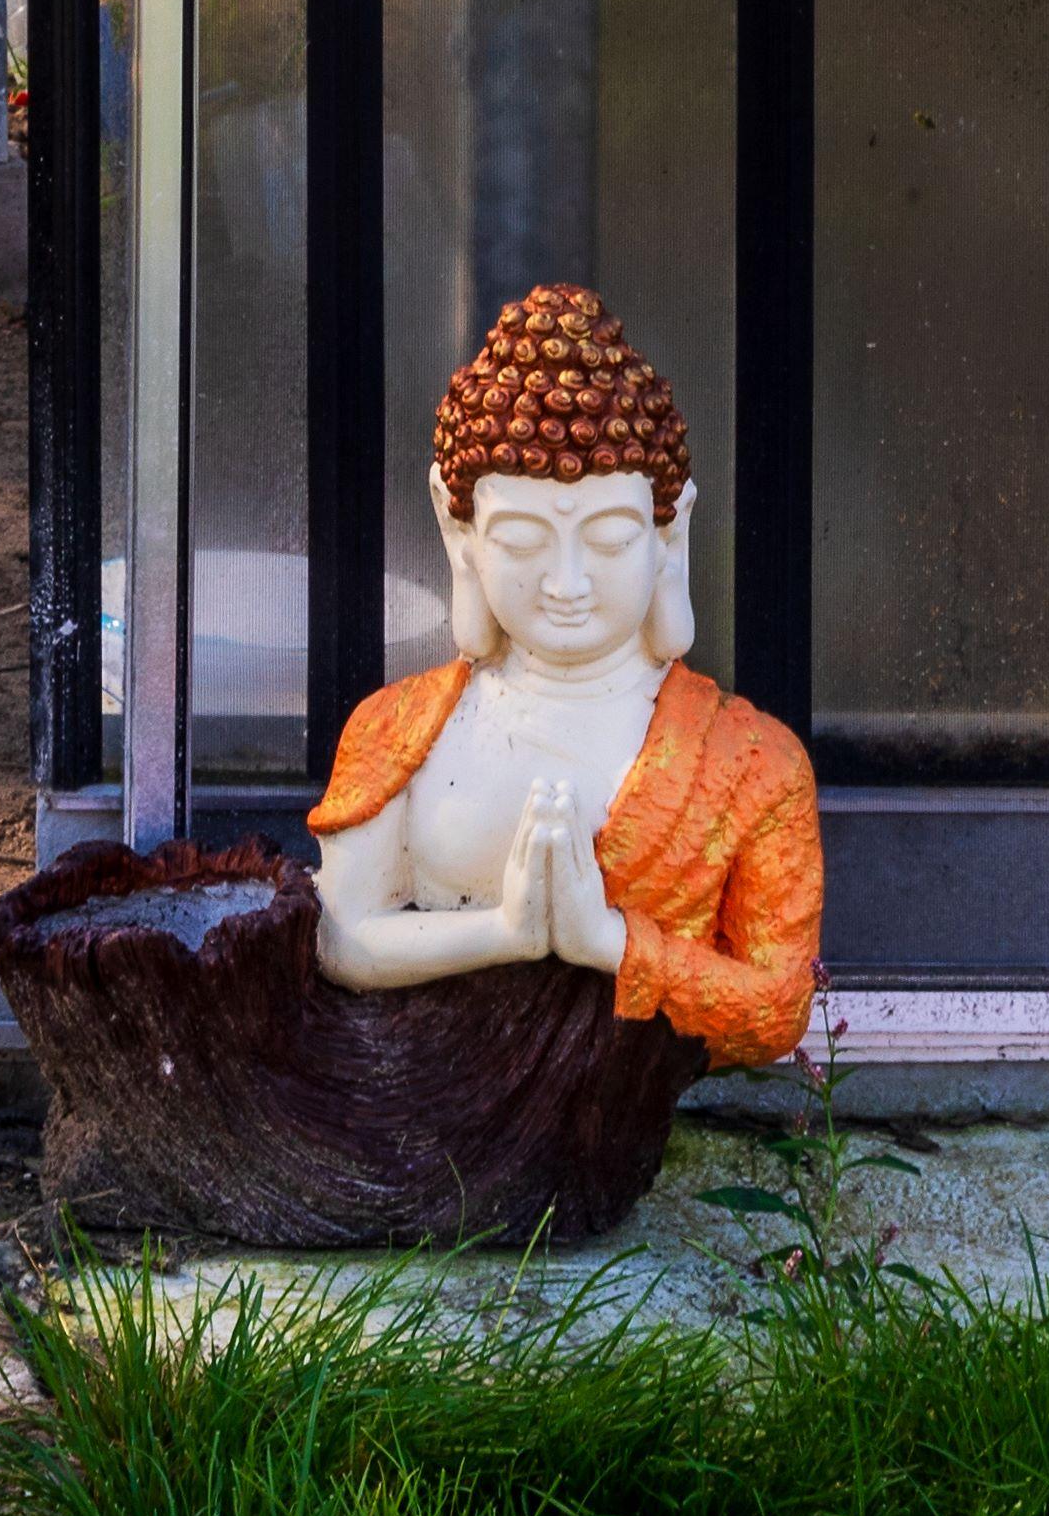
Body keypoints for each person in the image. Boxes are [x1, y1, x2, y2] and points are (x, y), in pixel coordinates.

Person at [302, 286, 822, 1072]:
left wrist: (608, 943)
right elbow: (337, 939)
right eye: (522, 539)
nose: (566, 583)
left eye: (610, 539)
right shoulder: (395, 729)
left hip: (623, 1113)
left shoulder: (751, 761)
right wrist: (505, 933)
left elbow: (776, 1009)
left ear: (668, 531)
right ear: (460, 531)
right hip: (417, 1096)